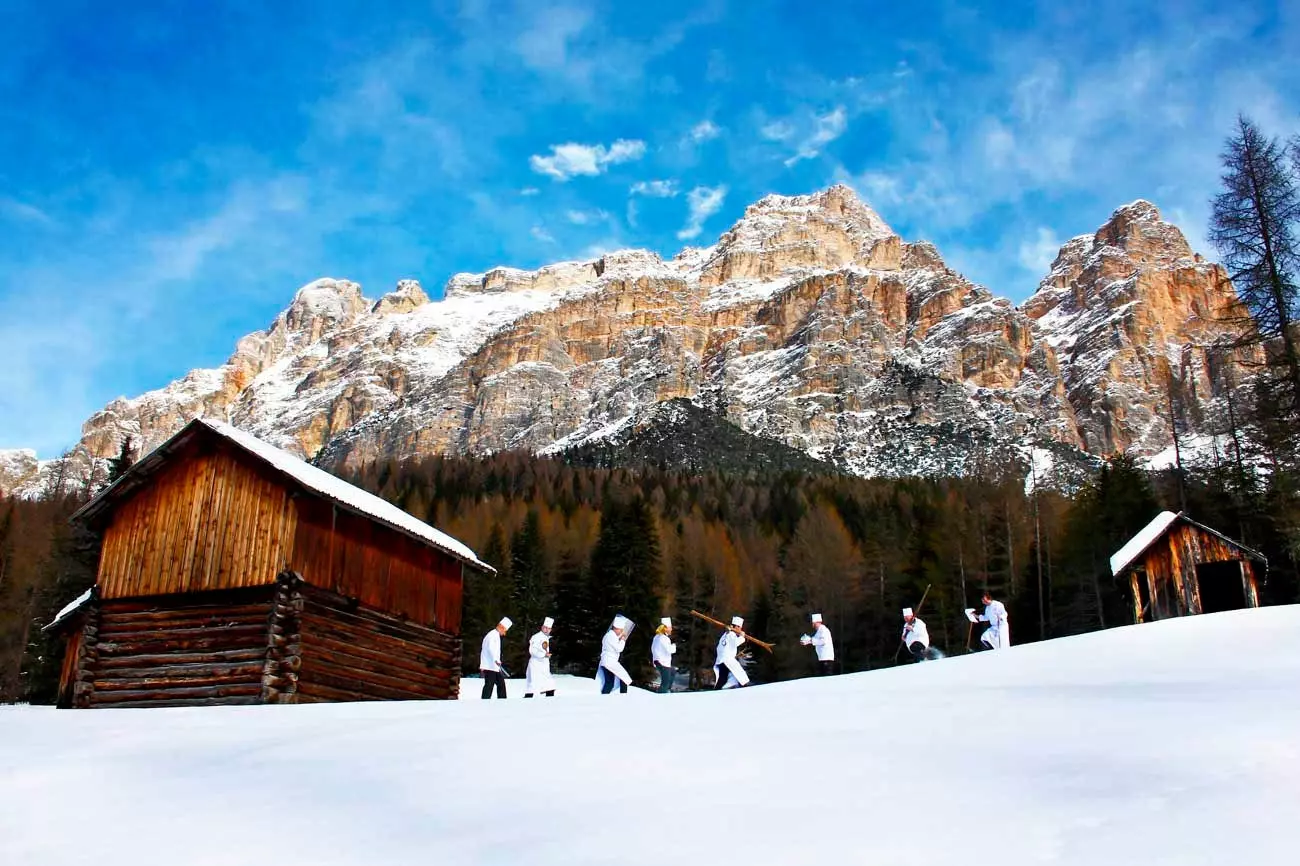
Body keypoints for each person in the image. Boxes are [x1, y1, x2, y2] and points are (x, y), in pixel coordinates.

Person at [596, 615, 634, 694]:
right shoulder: (611, 636)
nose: (621, 631)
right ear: (617, 629)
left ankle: (605, 698)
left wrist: (621, 637)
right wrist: (623, 640)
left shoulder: (609, 635)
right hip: (610, 661)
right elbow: (619, 648)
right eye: (621, 630)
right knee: (624, 678)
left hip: (607, 661)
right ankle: (623, 696)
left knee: (609, 683)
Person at [713, 615, 751, 689]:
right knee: (740, 672)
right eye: (740, 627)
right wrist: (742, 637)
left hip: (722, 659)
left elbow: (719, 648)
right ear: (736, 627)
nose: (740, 629)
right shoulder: (731, 634)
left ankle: (716, 691)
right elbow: (736, 643)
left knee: (723, 678)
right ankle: (745, 686)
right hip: (727, 659)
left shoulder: (726, 634)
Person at [480, 617, 512, 699]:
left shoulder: (495, 635)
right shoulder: (492, 635)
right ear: (501, 627)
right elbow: (491, 649)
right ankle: (484, 702)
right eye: (505, 630)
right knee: (489, 685)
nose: (505, 633)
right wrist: (496, 660)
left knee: (500, 684)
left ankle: (502, 701)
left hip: (493, 666)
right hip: (490, 666)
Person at [524, 616, 557, 698]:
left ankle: (549, 701)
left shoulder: (546, 638)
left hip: (543, 666)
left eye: (549, 628)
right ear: (542, 627)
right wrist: (543, 655)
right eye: (545, 628)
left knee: (549, 685)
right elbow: (532, 650)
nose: (547, 630)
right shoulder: (536, 637)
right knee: (533, 686)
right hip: (536, 665)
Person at [651, 617, 676, 694]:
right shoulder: (664, 638)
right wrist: (674, 645)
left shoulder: (657, 637)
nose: (671, 629)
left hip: (658, 661)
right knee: (665, 683)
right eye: (670, 628)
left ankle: (667, 690)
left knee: (672, 671)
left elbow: (652, 648)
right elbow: (671, 650)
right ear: (665, 629)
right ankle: (662, 695)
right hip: (663, 663)